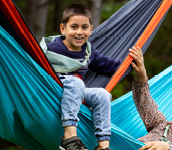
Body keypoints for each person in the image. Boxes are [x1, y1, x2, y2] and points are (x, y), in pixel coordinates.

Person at [41, 4, 122, 150]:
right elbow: (34, 66)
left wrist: (130, 62)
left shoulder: (88, 52)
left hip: (76, 93)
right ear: (62, 29)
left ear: (91, 29)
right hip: (53, 90)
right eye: (74, 27)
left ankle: (103, 145)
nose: (79, 32)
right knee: (76, 82)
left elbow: (106, 65)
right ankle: (69, 137)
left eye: (84, 27)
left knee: (103, 94)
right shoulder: (52, 48)